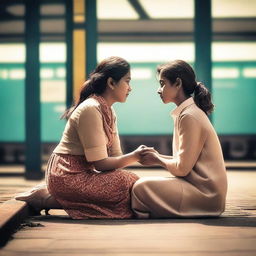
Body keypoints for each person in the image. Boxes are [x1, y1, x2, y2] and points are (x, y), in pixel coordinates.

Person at [16, 56, 153, 219]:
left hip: (85, 174)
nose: (130, 88)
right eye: (127, 81)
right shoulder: (90, 109)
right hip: (67, 175)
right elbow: (101, 164)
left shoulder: (109, 111)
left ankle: (58, 197)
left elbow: (115, 159)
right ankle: (46, 198)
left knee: (131, 181)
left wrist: (134, 158)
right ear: (111, 83)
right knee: (126, 184)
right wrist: (135, 157)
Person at [131, 60, 228, 218]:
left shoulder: (189, 116)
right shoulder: (188, 112)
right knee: (140, 184)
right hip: (201, 190)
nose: (158, 90)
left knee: (140, 187)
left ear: (177, 83)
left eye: (162, 83)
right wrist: (158, 156)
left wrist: (157, 159)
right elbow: (185, 162)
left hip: (205, 195)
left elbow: (182, 169)